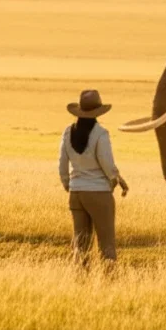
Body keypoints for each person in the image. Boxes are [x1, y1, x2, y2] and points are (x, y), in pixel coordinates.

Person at [59, 89, 128, 269]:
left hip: (76, 193)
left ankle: (80, 280)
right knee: (107, 245)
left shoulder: (68, 132)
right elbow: (106, 163)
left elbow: (62, 164)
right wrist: (116, 179)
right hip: (99, 193)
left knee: (80, 245)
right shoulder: (100, 133)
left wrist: (68, 184)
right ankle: (109, 282)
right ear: (98, 112)